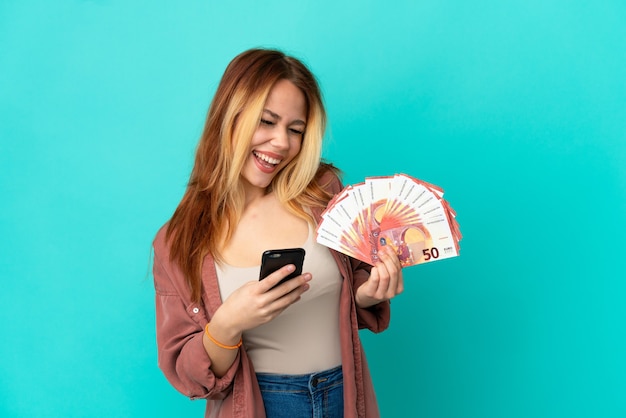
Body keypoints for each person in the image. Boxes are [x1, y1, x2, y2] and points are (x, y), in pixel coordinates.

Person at [152, 48, 404, 418]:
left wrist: (367, 294)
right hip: (261, 405)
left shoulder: (323, 194)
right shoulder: (177, 242)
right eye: (266, 122)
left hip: (343, 397)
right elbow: (191, 376)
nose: (282, 143)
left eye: (295, 130)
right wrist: (228, 324)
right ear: (229, 117)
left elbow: (346, 296)